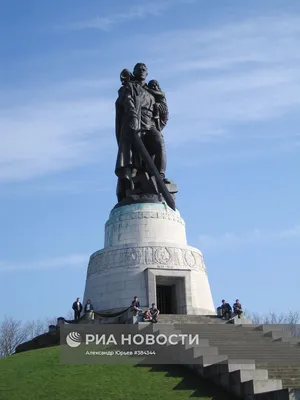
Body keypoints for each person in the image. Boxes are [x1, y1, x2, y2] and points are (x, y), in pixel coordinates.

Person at [115, 62, 170, 202]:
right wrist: (133, 117)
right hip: (136, 125)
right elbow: (128, 101)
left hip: (150, 124)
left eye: (144, 69)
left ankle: (160, 177)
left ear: (147, 73)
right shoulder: (130, 86)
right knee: (133, 158)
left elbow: (162, 113)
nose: (142, 70)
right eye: (139, 68)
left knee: (159, 144)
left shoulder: (151, 92)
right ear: (134, 71)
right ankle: (133, 184)